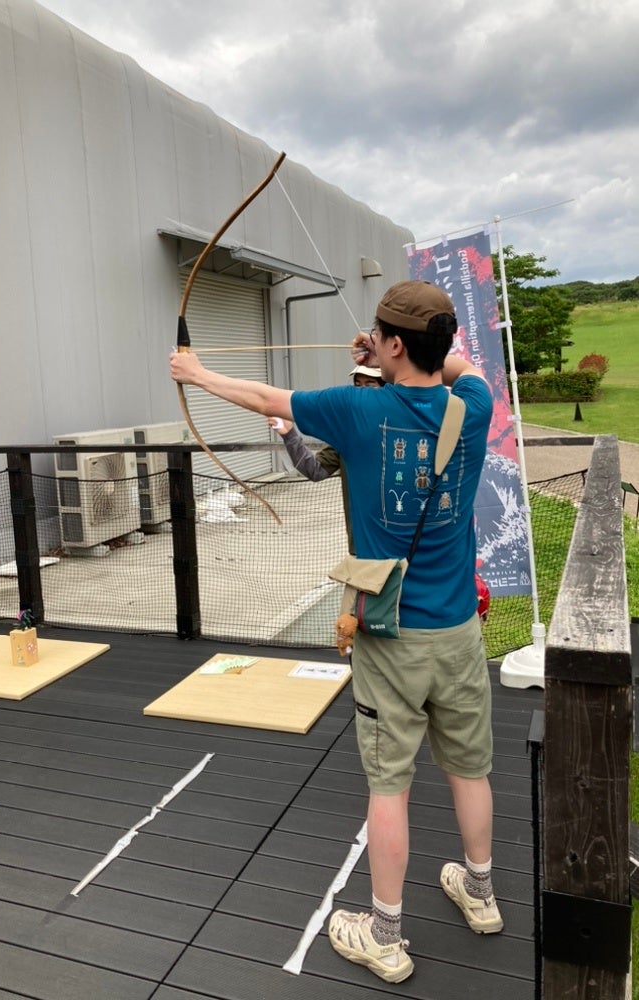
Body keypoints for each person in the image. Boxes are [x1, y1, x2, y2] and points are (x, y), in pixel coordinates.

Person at [170, 279, 499, 984]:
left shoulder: (358, 408)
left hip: (393, 634)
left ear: (396, 345)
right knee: (470, 767)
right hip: (459, 632)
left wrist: (195, 374)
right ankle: (481, 892)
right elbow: (460, 365)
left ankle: (384, 934)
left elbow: (266, 399)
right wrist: (396, 353)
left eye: (380, 336)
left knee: (390, 787)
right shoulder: (474, 407)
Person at [269, 364, 383, 553]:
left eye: (370, 385)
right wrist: (289, 433)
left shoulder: (403, 428)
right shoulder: (347, 433)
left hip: (403, 542)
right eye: (358, 386)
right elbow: (314, 470)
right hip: (362, 545)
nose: (362, 393)